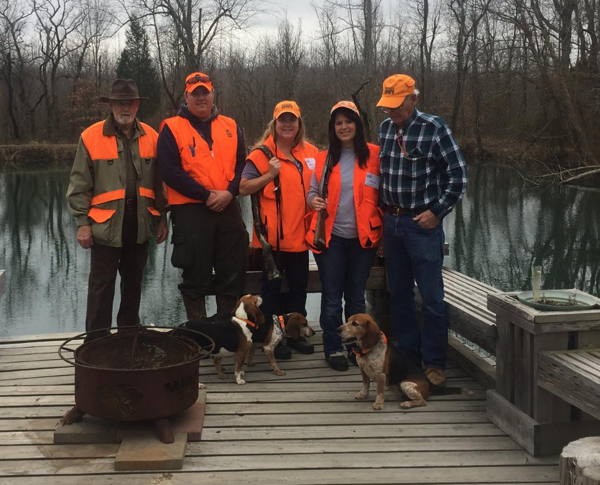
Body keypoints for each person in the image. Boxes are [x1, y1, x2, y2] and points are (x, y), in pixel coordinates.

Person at [376, 74, 468, 386]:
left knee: (431, 298)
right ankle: (408, 355)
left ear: (413, 99)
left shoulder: (434, 127)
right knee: (399, 294)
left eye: (396, 105)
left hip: (422, 225)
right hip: (392, 222)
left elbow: (458, 176)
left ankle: (435, 363)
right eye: (387, 106)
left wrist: (437, 212)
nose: (391, 112)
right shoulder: (386, 129)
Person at [67, 78, 168, 341]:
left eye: (130, 103)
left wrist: (162, 218)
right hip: (104, 226)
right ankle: (97, 340)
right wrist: (82, 223)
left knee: (134, 282)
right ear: (111, 105)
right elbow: (79, 184)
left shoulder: (153, 136)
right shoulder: (90, 137)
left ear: (137, 106)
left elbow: (161, 183)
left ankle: (128, 333)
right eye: (120, 103)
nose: (125, 108)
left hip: (141, 222)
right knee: (102, 286)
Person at [157, 72, 248, 319]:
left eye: (204, 92)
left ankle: (226, 331)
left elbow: (244, 166)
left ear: (212, 93)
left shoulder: (231, 126)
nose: (200, 97)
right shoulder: (171, 128)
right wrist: (206, 195)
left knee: (231, 271)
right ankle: (200, 336)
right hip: (190, 211)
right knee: (195, 275)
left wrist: (230, 192)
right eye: (194, 93)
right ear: (186, 96)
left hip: (228, 208)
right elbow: (169, 171)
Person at [305, 101, 383, 371]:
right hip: (331, 238)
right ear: (332, 128)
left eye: (348, 121)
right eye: (338, 123)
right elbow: (312, 191)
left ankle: (355, 346)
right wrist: (314, 200)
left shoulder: (375, 154)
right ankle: (333, 346)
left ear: (358, 125)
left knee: (356, 297)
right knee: (331, 295)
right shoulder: (324, 158)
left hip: (364, 240)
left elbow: (388, 189)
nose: (344, 126)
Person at [239, 101, 319, 359]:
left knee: (298, 290)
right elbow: (243, 187)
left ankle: (295, 336)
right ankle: (273, 340)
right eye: (282, 120)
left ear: (299, 124)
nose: (287, 124)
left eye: (292, 120)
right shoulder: (260, 155)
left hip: (301, 238)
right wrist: (269, 175)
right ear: (274, 124)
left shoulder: (312, 154)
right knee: (271, 294)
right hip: (271, 243)